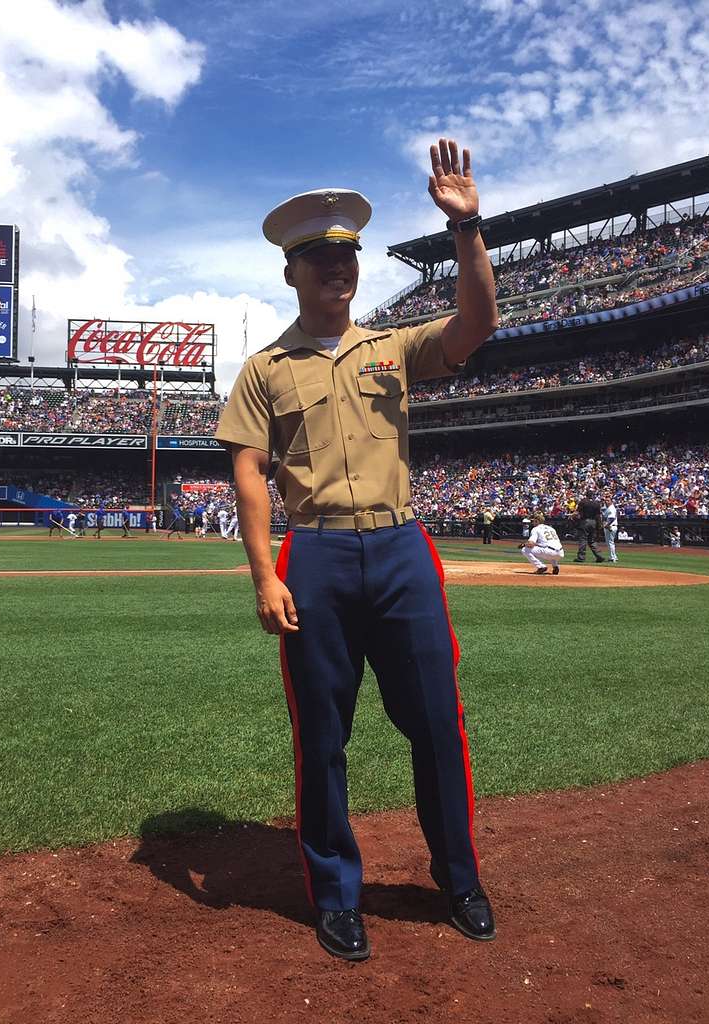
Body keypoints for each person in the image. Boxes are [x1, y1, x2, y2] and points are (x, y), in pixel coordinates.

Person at [216, 139, 499, 962]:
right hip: (318, 559)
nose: (338, 268)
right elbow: (249, 479)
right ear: (291, 271)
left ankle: (460, 880)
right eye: (319, 257)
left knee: (439, 726)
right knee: (323, 737)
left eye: (347, 255)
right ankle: (338, 895)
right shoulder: (263, 370)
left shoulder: (395, 348)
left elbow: (478, 323)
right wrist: (265, 573)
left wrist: (468, 227)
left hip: (403, 549)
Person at [573, 489, 605, 563]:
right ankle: (599, 556)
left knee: (583, 539)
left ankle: (581, 557)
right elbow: (598, 516)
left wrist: (573, 517)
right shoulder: (596, 503)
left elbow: (578, 512)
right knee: (592, 540)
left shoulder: (583, 502)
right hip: (593, 522)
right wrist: (599, 525)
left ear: (586, 494)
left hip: (585, 521)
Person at [602, 494, 618, 563]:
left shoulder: (611, 508)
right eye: (606, 500)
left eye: (608, 500)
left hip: (611, 526)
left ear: (611, 501)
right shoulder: (607, 508)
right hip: (609, 526)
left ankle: (613, 557)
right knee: (610, 542)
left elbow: (612, 519)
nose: (606, 502)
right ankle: (614, 556)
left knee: (610, 542)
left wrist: (606, 525)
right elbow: (604, 517)